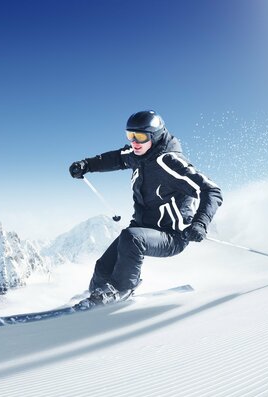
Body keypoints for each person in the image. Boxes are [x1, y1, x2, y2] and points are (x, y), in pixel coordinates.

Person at [69, 110, 223, 306]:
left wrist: (200, 223)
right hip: (142, 228)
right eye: (130, 135)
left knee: (132, 238)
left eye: (140, 136)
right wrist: (86, 165)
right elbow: (116, 158)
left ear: (155, 136)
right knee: (102, 268)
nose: (134, 142)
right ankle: (95, 295)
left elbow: (212, 191)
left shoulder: (170, 162)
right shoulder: (137, 154)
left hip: (172, 235)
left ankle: (121, 290)